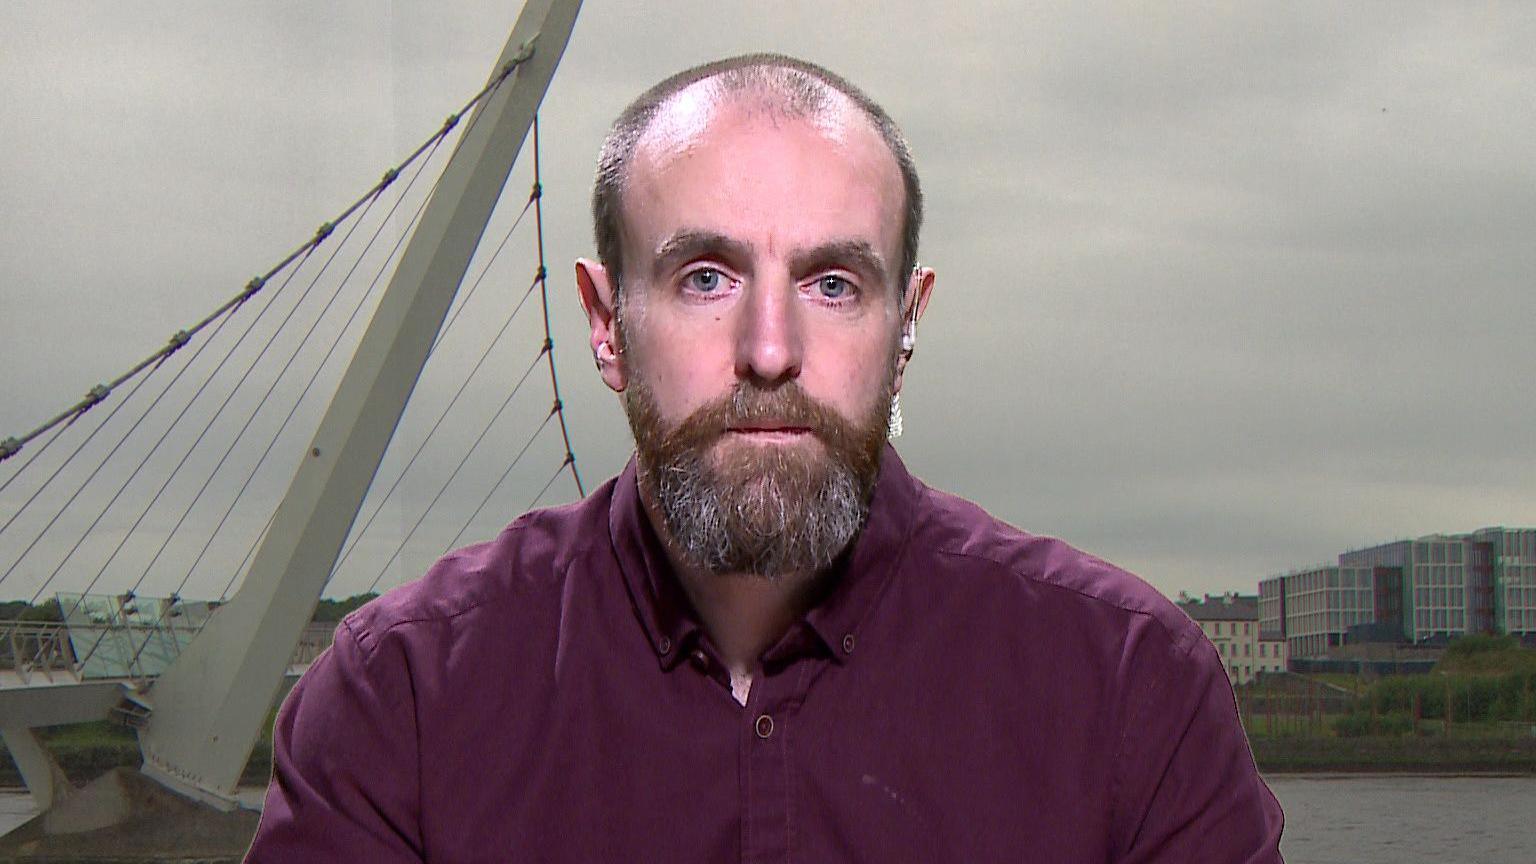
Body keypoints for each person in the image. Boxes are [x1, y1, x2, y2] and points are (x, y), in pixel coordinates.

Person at [245, 53, 1284, 862]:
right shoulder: (403, 700)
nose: (772, 352)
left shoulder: (1131, 686)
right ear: (604, 323)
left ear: (906, 325)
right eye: (705, 277)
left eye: (834, 284)